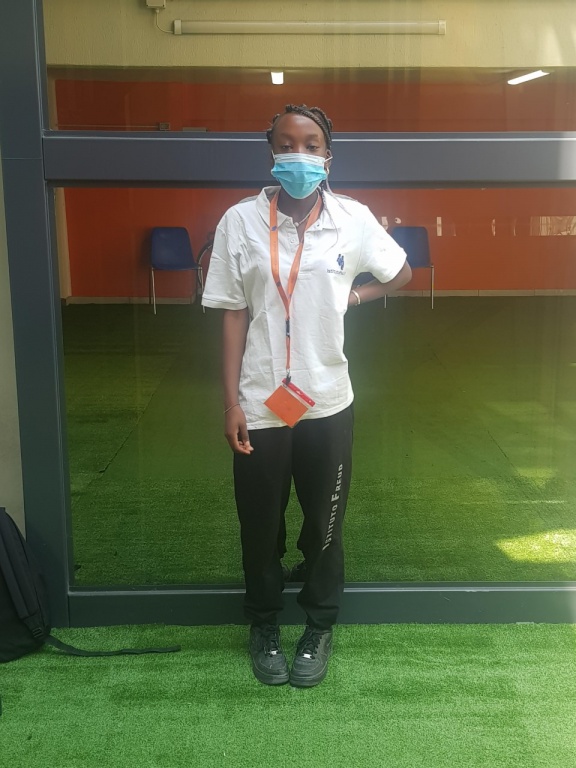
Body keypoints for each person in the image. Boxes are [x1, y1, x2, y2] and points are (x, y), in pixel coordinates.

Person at [202, 104, 411, 687]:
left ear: (328, 157)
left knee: (324, 523)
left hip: (326, 401)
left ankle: (318, 624)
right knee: (259, 523)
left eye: (311, 144)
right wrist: (231, 402)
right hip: (261, 402)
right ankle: (264, 623)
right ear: (271, 153)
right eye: (287, 143)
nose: (299, 154)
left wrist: (353, 298)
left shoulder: (352, 219)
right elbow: (231, 312)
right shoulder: (240, 221)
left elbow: (401, 274)